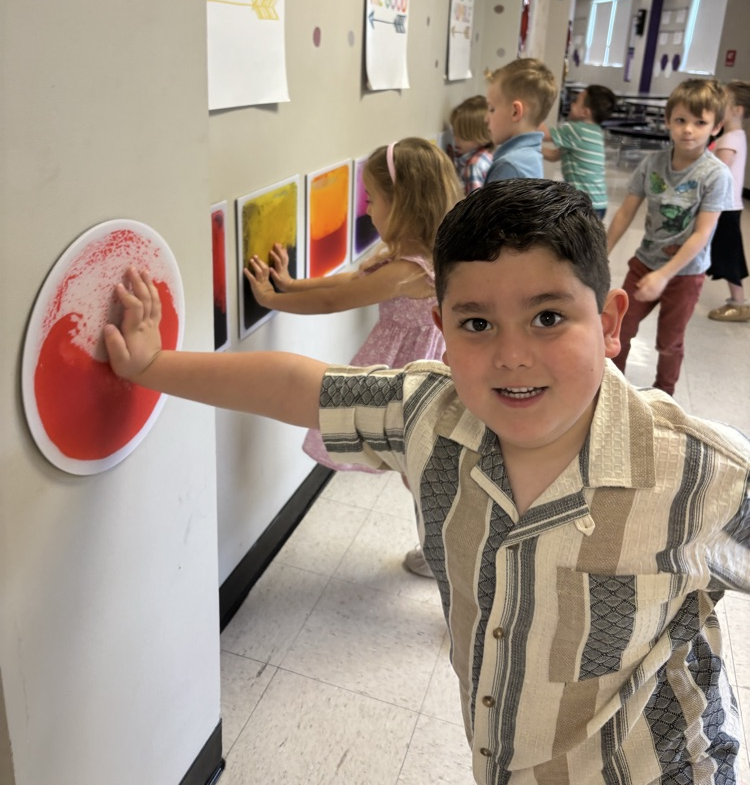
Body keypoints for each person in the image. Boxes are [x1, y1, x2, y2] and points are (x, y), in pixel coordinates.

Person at [104, 179, 750, 785]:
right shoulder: (429, 417)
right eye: (477, 324)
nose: (512, 354)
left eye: (548, 318)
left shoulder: (697, 473)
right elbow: (298, 386)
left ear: (610, 323)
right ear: (442, 331)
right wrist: (154, 364)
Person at [246, 136, 463, 577]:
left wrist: (272, 300)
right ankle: (445, 550)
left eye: (372, 199)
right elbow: (346, 281)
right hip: (416, 378)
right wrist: (289, 284)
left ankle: (449, 557)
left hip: (411, 384)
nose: (366, 210)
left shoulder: (408, 272)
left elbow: (336, 300)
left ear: (403, 203)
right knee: (419, 472)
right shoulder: (415, 256)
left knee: (422, 475)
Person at [607, 78, 733, 396]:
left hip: (684, 275)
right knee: (619, 329)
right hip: (644, 263)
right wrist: (602, 250)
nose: (688, 129)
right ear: (668, 121)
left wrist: (665, 275)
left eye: (699, 122)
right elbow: (625, 212)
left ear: (715, 127)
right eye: (680, 120)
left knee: (669, 343)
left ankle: (664, 396)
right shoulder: (653, 164)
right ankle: (613, 389)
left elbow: (702, 234)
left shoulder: (716, 175)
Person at [707, 79, 749, 322]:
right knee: (713, 249)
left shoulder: (731, 139)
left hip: (724, 207)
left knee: (729, 255)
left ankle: (739, 303)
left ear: (737, 110)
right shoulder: (732, 135)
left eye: (724, 99)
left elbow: (718, 170)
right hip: (725, 205)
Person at [541, 83, 615, 218]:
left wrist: (535, 109)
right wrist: (533, 147)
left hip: (585, 204)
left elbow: (543, 133)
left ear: (585, 112)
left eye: (575, 101)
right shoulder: (595, 131)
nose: (571, 104)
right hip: (598, 202)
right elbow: (553, 155)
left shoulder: (576, 130)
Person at [484, 58, 557, 183]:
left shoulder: (509, 167)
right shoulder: (529, 156)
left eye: (492, 109)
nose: (486, 118)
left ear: (515, 112)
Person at [446, 94, 492, 194]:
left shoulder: (474, 166)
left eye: (463, 135)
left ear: (480, 136)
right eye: (455, 132)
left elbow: (474, 203)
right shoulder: (487, 155)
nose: (455, 139)